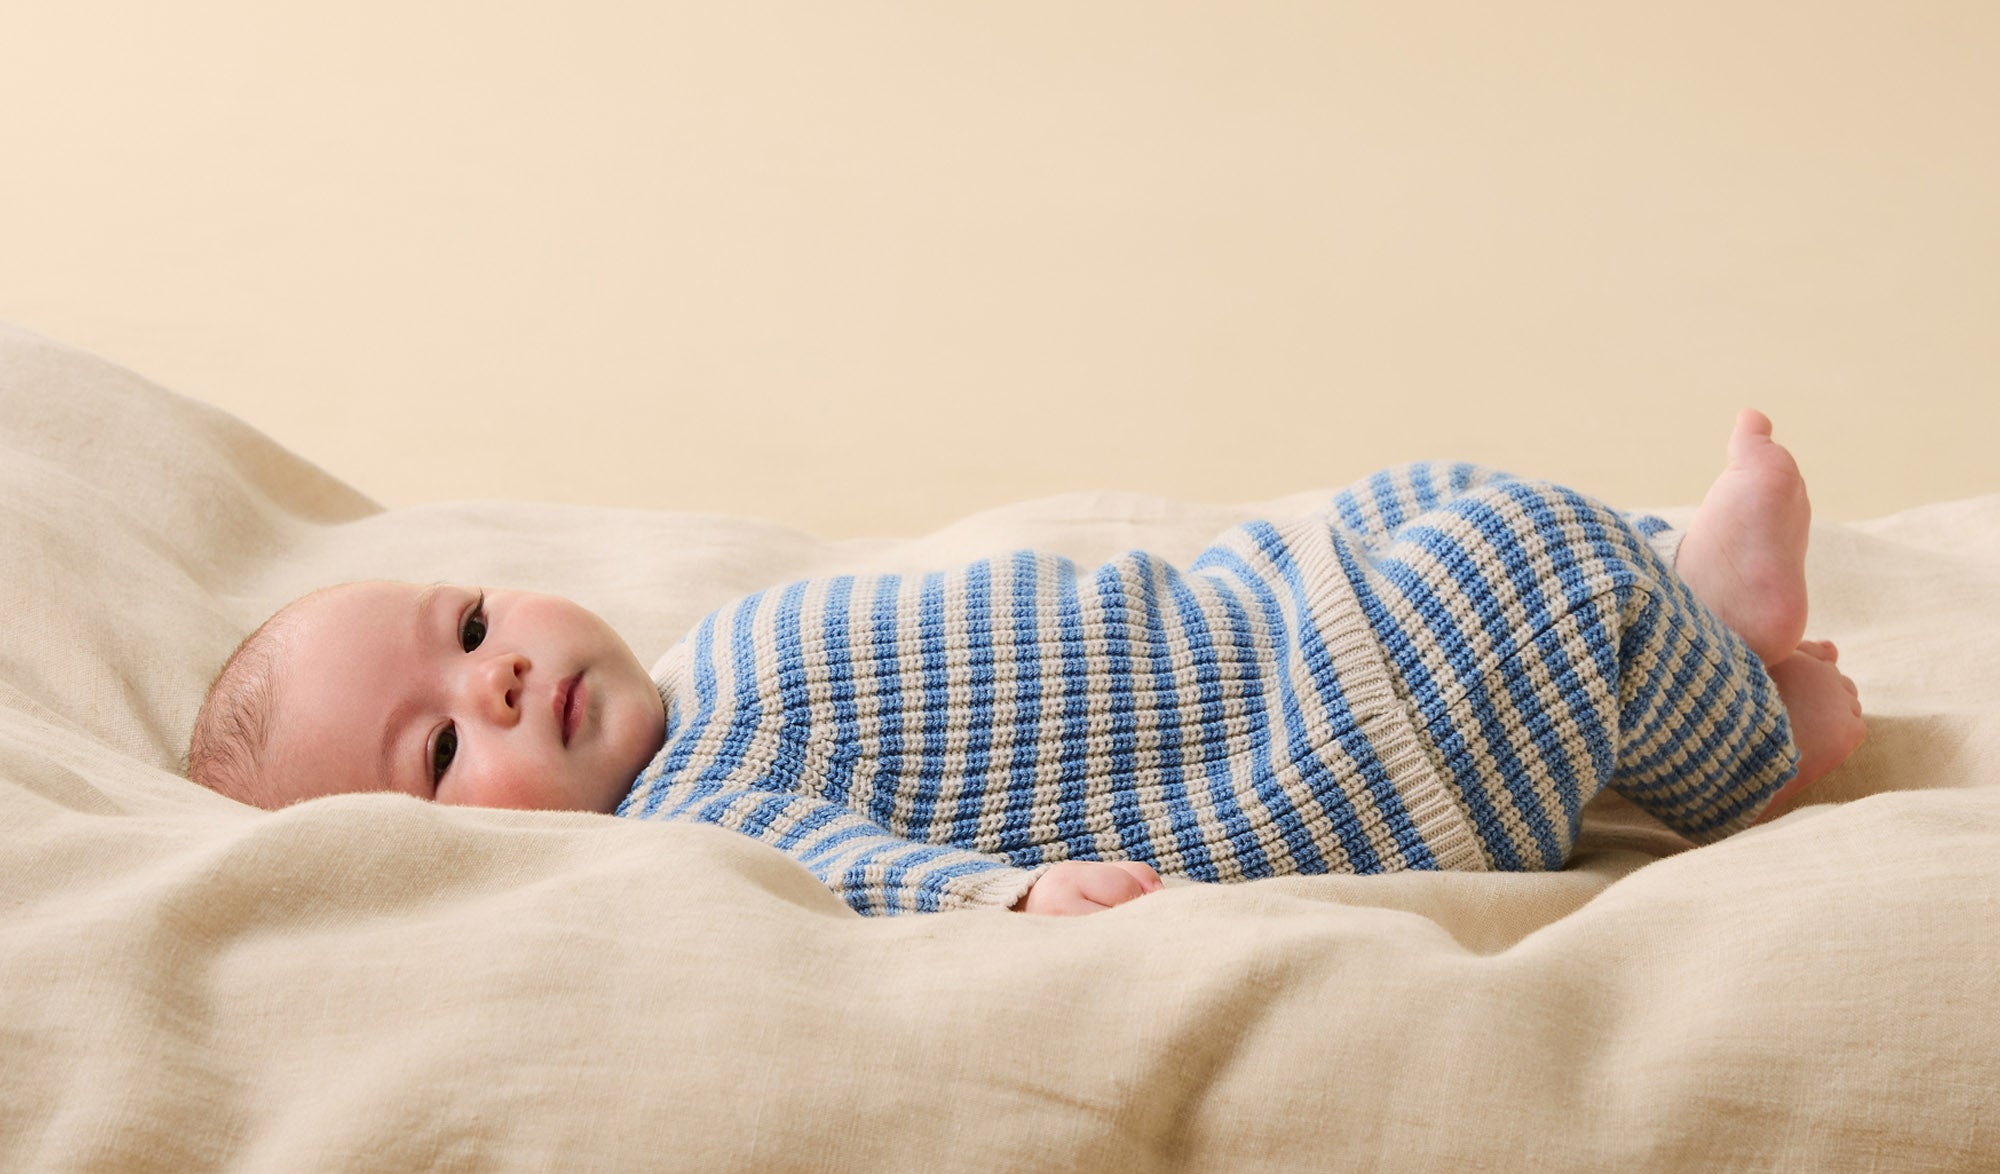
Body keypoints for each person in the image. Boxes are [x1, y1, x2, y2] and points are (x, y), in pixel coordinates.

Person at [183, 410, 1865, 918]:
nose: (491, 684)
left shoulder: (704, 667)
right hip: (1331, 749)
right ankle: (1743, 735)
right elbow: (850, 881)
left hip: (1270, 624)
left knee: (1434, 499)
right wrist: (1005, 906)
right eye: (437, 755)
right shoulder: (685, 822)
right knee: (1512, 581)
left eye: (470, 627)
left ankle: (1681, 610)